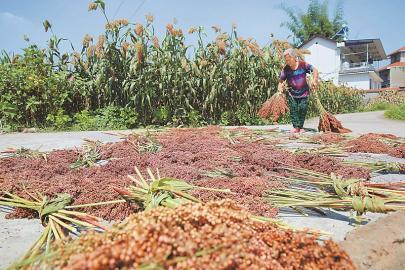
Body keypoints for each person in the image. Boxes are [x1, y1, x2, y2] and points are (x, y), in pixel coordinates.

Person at [278, 48, 319, 134]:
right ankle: (295, 127)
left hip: (304, 92)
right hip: (292, 94)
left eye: (289, 60)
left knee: (303, 109)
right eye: (286, 60)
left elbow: (314, 70)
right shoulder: (286, 69)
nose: (288, 62)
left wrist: (315, 80)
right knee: (293, 110)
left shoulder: (303, 65)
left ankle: (300, 126)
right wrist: (280, 90)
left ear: (294, 57)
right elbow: (281, 81)